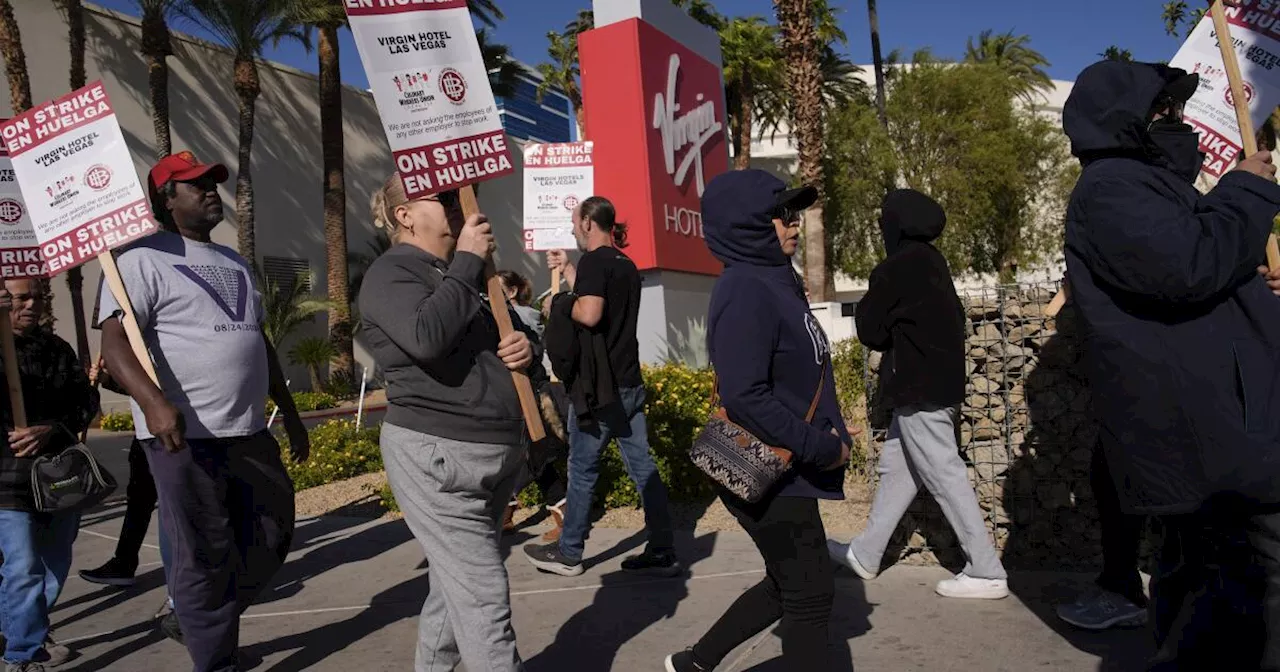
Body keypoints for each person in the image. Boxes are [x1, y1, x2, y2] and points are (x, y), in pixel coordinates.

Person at [1060, 60, 1280, 669]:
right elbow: (1186, 266)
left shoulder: (1148, 186)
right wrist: (1248, 189)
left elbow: (1200, 266)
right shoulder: (1111, 189)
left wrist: (1253, 276)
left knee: (1209, 591)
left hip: (1219, 430)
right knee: (1246, 590)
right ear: (1126, 121)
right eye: (1163, 112)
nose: (1177, 122)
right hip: (1208, 437)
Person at [96, 151, 309, 672]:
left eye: (212, 182)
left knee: (270, 534)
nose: (211, 190)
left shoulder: (234, 260)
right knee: (204, 553)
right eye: (194, 185)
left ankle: (194, 619)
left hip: (247, 430)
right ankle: (216, 659)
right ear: (166, 200)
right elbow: (115, 345)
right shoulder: (139, 260)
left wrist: (290, 410)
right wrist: (154, 404)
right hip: (182, 438)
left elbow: (257, 340)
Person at [665, 170, 852, 672]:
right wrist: (821, 447)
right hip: (764, 462)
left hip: (787, 462)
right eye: (779, 214)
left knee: (788, 581)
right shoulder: (745, 288)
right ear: (746, 225)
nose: (792, 224)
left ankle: (695, 663)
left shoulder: (775, 280)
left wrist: (831, 426)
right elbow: (746, 397)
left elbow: (792, 375)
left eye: (793, 213)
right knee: (811, 594)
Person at [359, 175, 536, 672]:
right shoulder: (391, 273)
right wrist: (467, 263)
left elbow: (518, 339)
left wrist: (528, 347)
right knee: (482, 598)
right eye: (442, 198)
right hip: (438, 455)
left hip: (492, 451)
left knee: (452, 588)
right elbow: (426, 336)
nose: (460, 204)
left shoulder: (467, 275)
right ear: (405, 215)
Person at [826, 188, 1009, 600]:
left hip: (917, 389)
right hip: (939, 386)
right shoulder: (935, 263)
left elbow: (870, 331)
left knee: (944, 473)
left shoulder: (894, 268)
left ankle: (986, 569)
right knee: (898, 470)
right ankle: (866, 554)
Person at [523, 197, 678, 578]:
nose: (574, 229)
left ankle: (569, 551)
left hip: (599, 389)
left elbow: (590, 314)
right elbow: (603, 302)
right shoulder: (624, 264)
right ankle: (662, 549)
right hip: (628, 383)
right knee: (643, 467)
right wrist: (570, 271)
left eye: (575, 223)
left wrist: (559, 304)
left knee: (582, 468)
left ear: (589, 223)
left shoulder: (596, 262)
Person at [0, 278, 98, 672]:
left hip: (57, 478)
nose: (31, 305)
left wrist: (52, 429)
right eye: (20, 298)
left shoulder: (57, 349)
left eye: (38, 297)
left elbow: (85, 403)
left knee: (53, 567)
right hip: (6, 482)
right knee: (22, 567)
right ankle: (23, 653)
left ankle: (23, 626)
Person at [78, 357, 182, 644]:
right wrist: (109, 380)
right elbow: (140, 387)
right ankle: (124, 563)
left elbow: (155, 386)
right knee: (140, 501)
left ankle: (181, 597)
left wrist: (113, 379)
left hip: (164, 433)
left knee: (172, 514)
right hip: (146, 434)